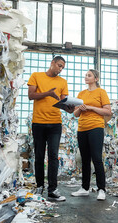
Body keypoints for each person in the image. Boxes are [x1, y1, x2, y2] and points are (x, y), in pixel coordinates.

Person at [27, 56, 74, 201]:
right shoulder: (36, 76)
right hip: (38, 122)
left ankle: (52, 189)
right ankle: (39, 186)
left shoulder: (62, 82)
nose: (60, 69)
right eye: (59, 65)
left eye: (62, 68)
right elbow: (31, 95)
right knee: (39, 155)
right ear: (52, 63)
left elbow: (64, 103)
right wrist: (48, 93)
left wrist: (70, 109)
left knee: (53, 156)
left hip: (55, 123)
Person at [71, 69, 112, 201]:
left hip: (96, 127)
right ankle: (84, 188)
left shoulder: (101, 92)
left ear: (96, 78)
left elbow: (107, 111)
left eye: (89, 75)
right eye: (85, 75)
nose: (86, 77)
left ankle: (101, 189)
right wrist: (81, 109)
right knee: (85, 159)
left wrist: (91, 108)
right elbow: (75, 114)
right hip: (82, 128)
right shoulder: (81, 93)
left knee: (97, 158)